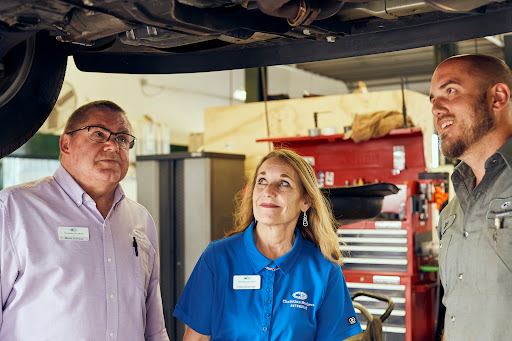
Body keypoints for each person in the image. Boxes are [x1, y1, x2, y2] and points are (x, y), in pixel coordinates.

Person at [0, 100, 169, 340]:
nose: (113, 146)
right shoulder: (13, 209)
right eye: (98, 134)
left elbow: (154, 327)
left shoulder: (140, 220)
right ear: (65, 144)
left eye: (122, 138)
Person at [174, 149, 362, 341]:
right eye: (261, 181)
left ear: (305, 201)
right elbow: (196, 338)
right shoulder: (217, 257)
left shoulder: (323, 268)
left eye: (283, 183)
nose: (268, 191)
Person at [430, 54, 512, 340]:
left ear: (498, 97)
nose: (437, 109)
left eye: (450, 91)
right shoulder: (451, 211)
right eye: (432, 100)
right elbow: (455, 306)